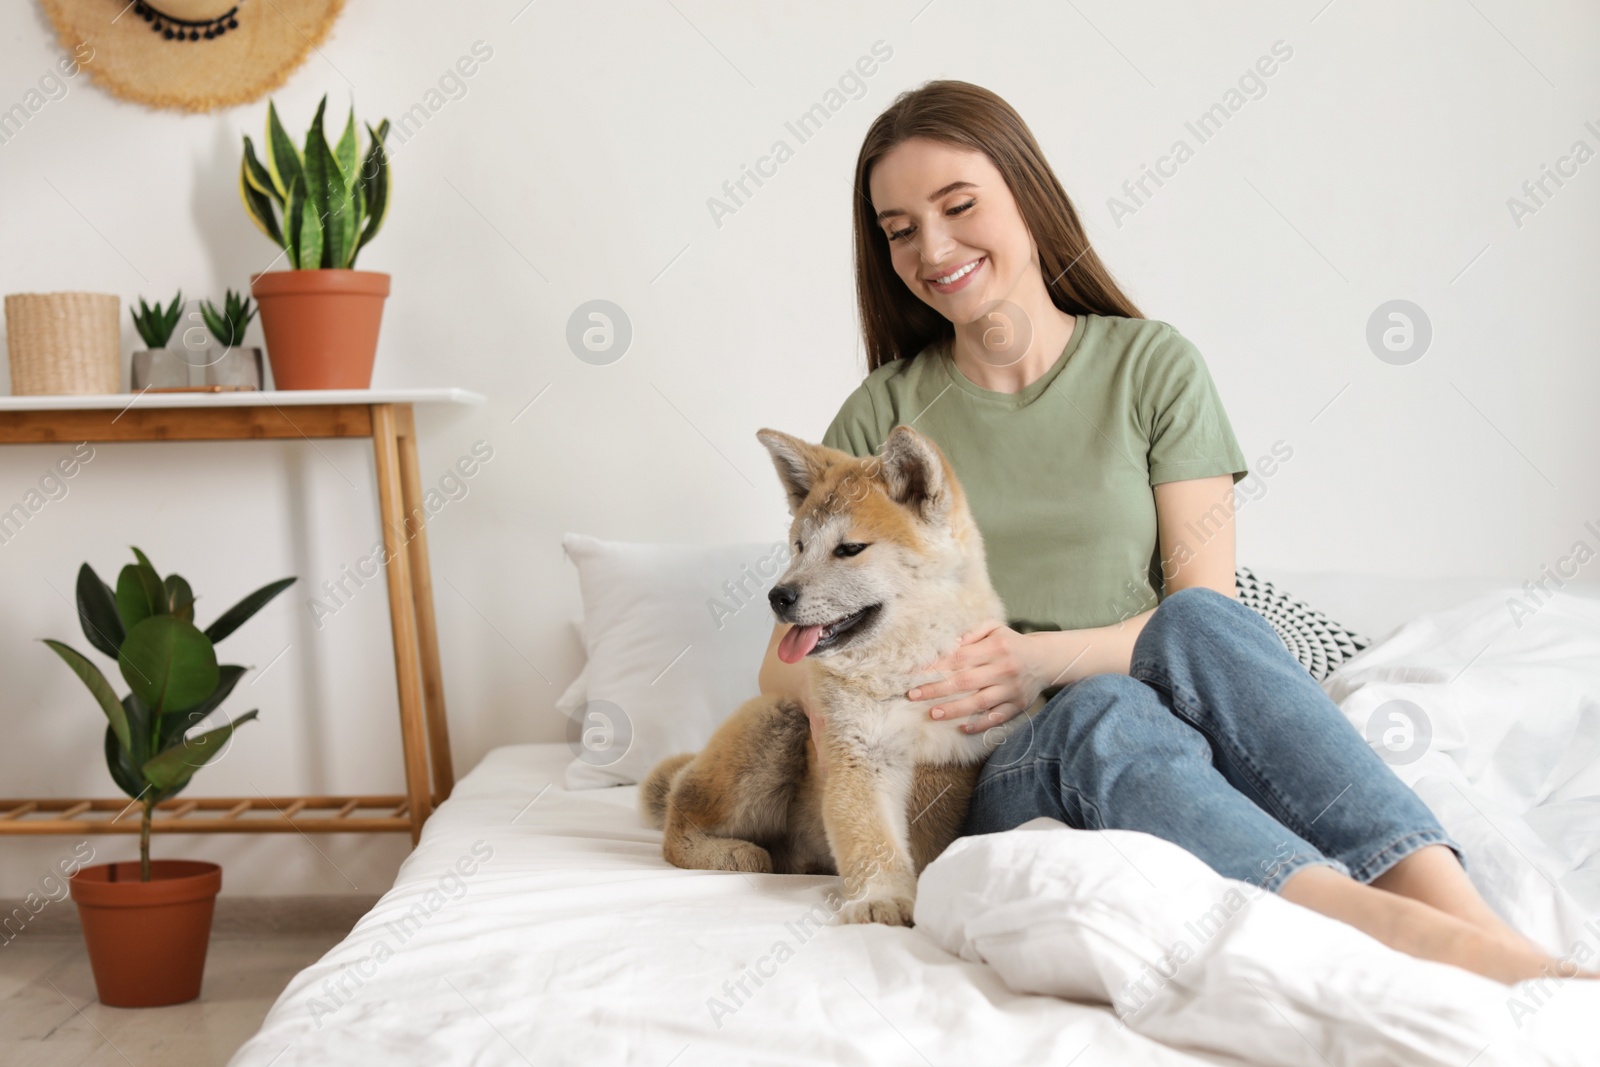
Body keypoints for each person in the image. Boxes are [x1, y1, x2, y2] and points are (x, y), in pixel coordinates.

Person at [757, 79, 1589, 986]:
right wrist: (930, 684)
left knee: (1194, 631)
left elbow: (1206, 618)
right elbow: (783, 663)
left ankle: (1463, 916)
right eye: (899, 229)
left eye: (959, 206)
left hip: (1157, 703)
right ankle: (1379, 925)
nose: (934, 247)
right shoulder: (883, 414)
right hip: (991, 762)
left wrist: (1034, 657)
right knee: (1100, 714)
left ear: (1028, 199)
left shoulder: (1153, 367)